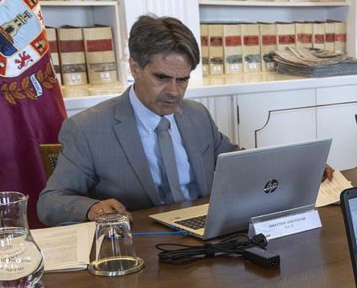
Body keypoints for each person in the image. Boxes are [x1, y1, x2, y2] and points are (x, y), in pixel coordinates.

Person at [37, 15, 239, 226]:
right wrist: (91, 208)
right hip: (140, 237)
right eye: (162, 78)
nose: (174, 91)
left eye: (182, 80)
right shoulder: (87, 129)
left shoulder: (197, 115)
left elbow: (238, 164)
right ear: (135, 68)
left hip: (207, 231)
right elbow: (50, 202)